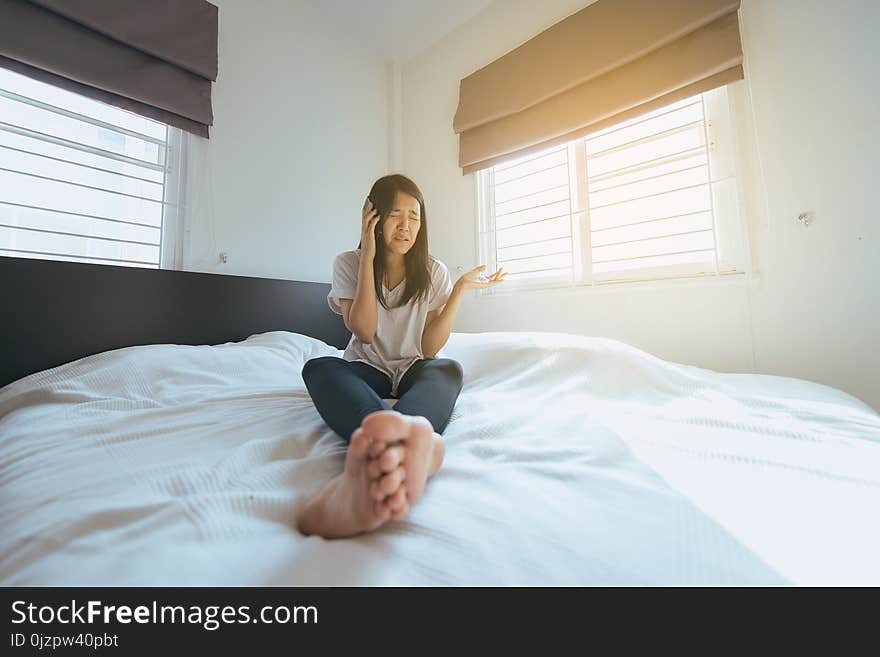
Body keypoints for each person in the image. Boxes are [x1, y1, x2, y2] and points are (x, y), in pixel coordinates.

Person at [297, 173, 506, 539]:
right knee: (319, 367)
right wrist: (367, 257)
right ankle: (400, 445)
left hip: (412, 367)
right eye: (396, 214)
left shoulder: (432, 271)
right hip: (367, 367)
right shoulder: (348, 263)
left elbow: (428, 349)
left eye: (414, 216)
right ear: (373, 217)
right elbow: (363, 330)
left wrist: (457, 291)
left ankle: (398, 443)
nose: (406, 225)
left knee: (448, 369)